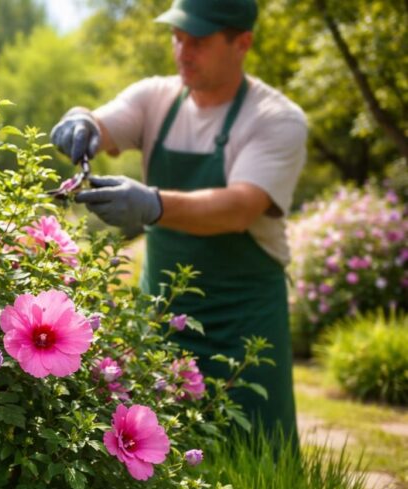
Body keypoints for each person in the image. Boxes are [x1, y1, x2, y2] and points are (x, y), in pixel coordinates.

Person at [50, 0, 307, 441]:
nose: (183, 52)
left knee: (258, 459)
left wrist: (153, 204)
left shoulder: (276, 119)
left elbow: (242, 206)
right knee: (158, 455)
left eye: (199, 41)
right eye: (178, 37)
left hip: (245, 325)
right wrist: (81, 122)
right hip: (165, 319)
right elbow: (103, 123)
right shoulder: (156, 98)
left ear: (242, 43)